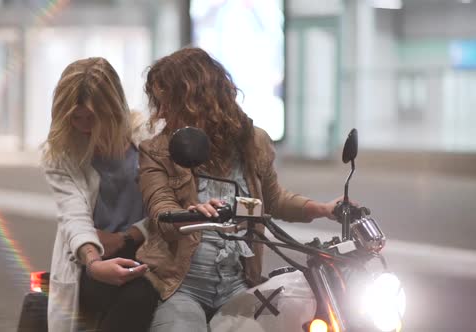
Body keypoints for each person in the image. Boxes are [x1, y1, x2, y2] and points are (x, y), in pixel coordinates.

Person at [136, 47, 341, 331]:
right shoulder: (157, 150)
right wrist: (188, 214)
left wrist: (323, 209)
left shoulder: (253, 143)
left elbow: (273, 199)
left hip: (238, 284)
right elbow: (160, 208)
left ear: (196, 100)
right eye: (158, 104)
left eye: (168, 103)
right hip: (181, 286)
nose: (162, 113)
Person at [42, 57, 159, 332]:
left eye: (92, 117)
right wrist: (94, 262)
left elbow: (168, 203)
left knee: (145, 294)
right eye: (76, 118)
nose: (84, 126)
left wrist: (128, 237)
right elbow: (73, 216)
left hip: (149, 247)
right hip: (92, 254)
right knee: (137, 296)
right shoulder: (61, 154)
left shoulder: (147, 139)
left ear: (112, 108)